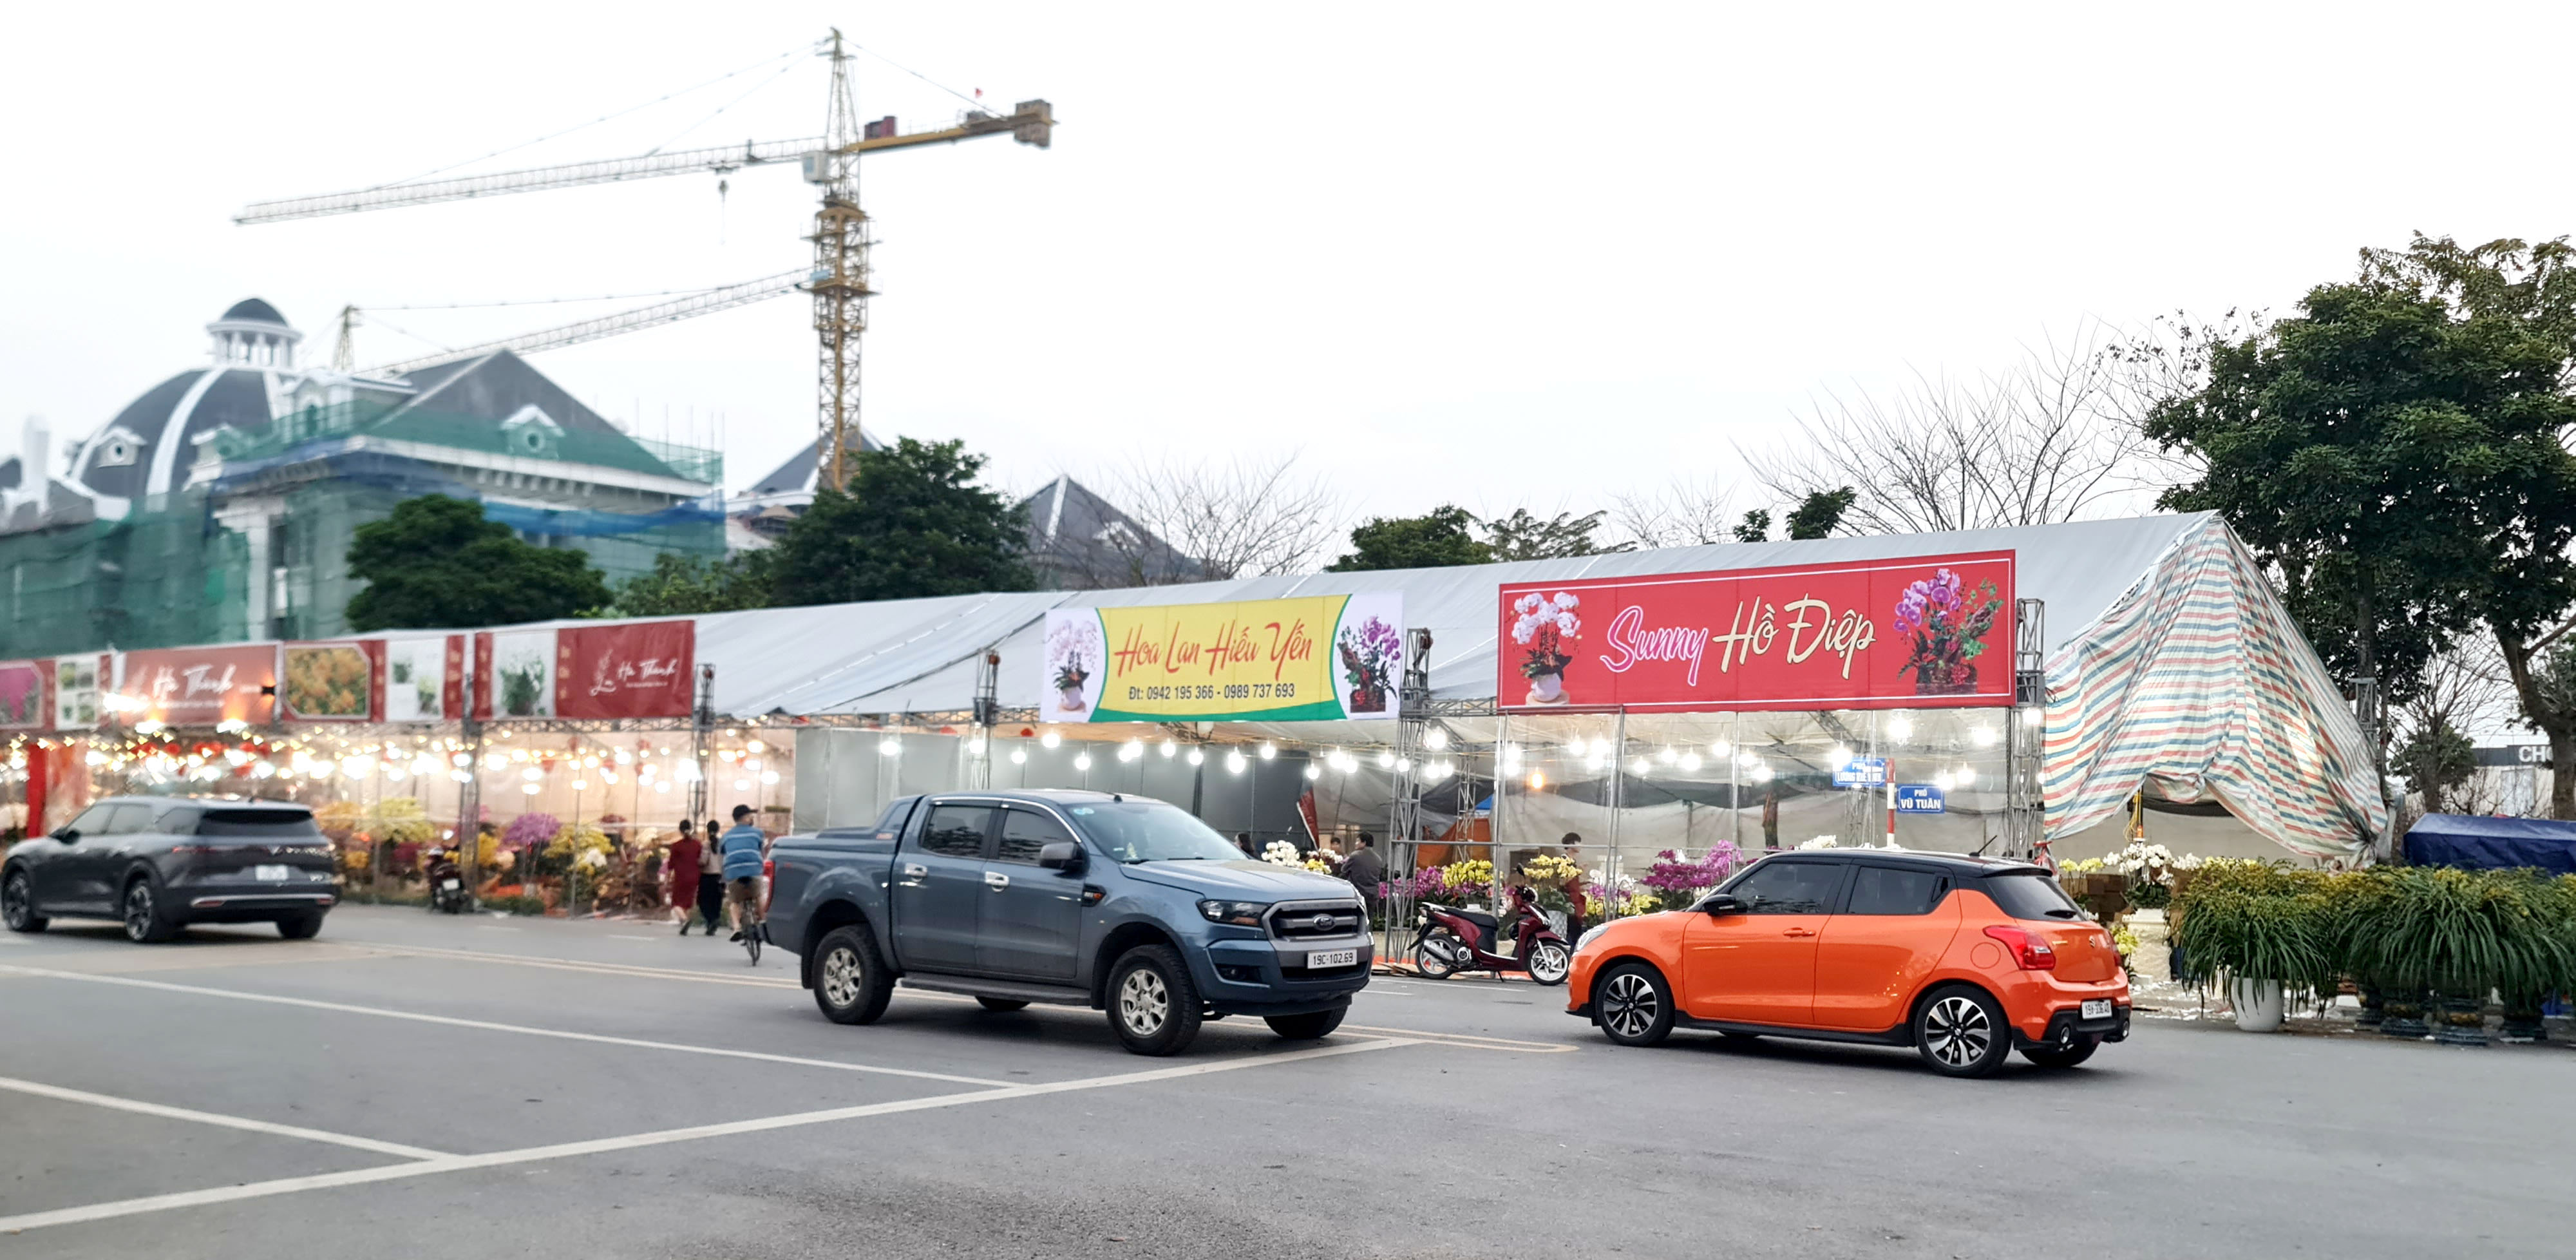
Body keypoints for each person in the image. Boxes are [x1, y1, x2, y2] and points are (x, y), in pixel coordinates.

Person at [718, 805, 768, 942]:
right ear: (745, 818)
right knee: (758, 895)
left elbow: (722, 856)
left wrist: (723, 878)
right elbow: (762, 854)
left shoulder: (726, 836)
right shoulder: (757, 833)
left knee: (734, 901)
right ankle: (763, 921)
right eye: (750, 816)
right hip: (753, 871)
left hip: (733, 873)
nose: (752, 818)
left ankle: (737, 928)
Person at [666, 820, 702, 935]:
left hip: (681, 877)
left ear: (680, 831)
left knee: (676, 903)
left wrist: (667, 878)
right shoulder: (697, 844)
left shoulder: (676, 846)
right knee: (687, 901)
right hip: (695, 877)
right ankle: (683, 925)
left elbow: (670, 865)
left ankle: (684, 920)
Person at [695, 816, 726, 936]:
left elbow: (703, 861)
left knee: (703, 902)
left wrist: (696, 862)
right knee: (716, 902)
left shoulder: (706, 844)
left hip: (707, 877)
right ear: (718, 830)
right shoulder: (723, 844)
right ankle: (714, 921)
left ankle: (711, 921)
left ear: (708, 830)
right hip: (720, 877)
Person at [1343, 832, 1386, 909]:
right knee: (1369, 919)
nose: (1356, 843)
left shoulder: (1355, 856)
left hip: (1358, 894)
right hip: (1373, 896)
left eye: (1358, 841)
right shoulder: (1378, 858)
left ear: (1364, 843)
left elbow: (1344, 870)